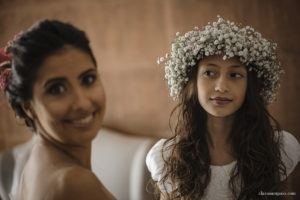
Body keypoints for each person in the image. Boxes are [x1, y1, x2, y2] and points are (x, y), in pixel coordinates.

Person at [146, 16, 300, 200]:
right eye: (209, 73)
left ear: (249, 86)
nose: (221, 87)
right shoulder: (169, 158)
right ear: (193, 81)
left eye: (235, 74)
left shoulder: (278, 150)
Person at [0, 20, 115, 200]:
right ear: (27, 106)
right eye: (57, 89)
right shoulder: (74, 183)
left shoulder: (36, 161)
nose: (82, 103)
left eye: (88, 79)